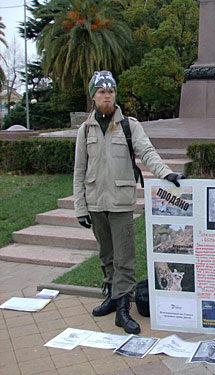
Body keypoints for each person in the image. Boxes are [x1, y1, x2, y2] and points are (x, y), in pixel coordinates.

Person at [73, 70, 185, 334]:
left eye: (110, 91)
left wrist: (166, 172)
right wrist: (81, 206)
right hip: (95, 203)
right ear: (93, 96)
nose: (107, 96)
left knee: (124, 257)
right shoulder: (85, 130)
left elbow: (147, 152)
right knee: (106, 254)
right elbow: (79, 170)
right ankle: (112, 296)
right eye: (101, 92)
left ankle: (124, 306)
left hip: (121, 202)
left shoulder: (129, 125)